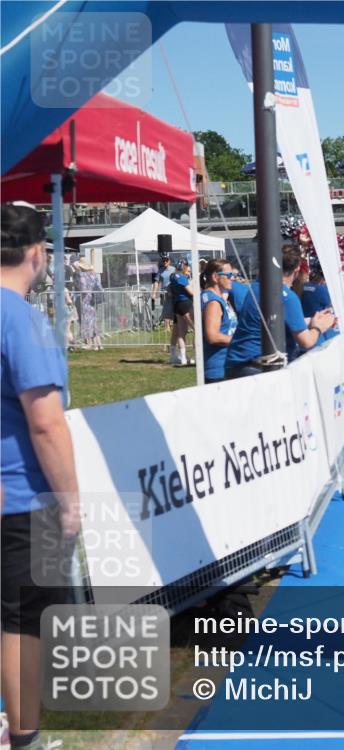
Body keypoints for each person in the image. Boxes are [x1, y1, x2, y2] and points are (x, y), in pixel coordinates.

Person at [1, 204, 80, 750]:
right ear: (36, 253)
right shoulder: (25, 321)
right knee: (24, 622)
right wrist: (71, 502)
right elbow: (46, 423)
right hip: (24, 499)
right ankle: (24, 736)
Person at [225, 245, 336, 379]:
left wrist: (310, 320)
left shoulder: (257, 286)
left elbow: (276, 320)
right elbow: (306, 342)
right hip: (259, 368)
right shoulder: (287, 297)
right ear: (296, 270)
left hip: (236, 364)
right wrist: (318, 327)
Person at [200, 260, 239, 384]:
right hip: (218, 369)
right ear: (215, 277)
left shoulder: (216, 298)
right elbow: (212, 336)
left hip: (224, 366)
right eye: (228, 275)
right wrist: (239, 341)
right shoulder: (213, 303)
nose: (232, 278)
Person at [168, 259, 194, 365]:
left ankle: (183, 358)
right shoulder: (182, 278)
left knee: (181, 333)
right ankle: (197, 356)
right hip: (185, 304)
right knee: (197, 329)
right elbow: (191, 292)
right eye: (187, 267)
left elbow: (169, 291)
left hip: (177, 305)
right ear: (184, 266)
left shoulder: (173, 277)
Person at [72, 258, 102, 350]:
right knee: (93, 322)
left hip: (86, 300)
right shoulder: (93, 275)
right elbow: (99, 286)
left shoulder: (82, 276)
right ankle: (99, 344)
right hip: (93, 300)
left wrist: (76, 273)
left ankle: (91, 344)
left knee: (87, 322)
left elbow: (83, 288)